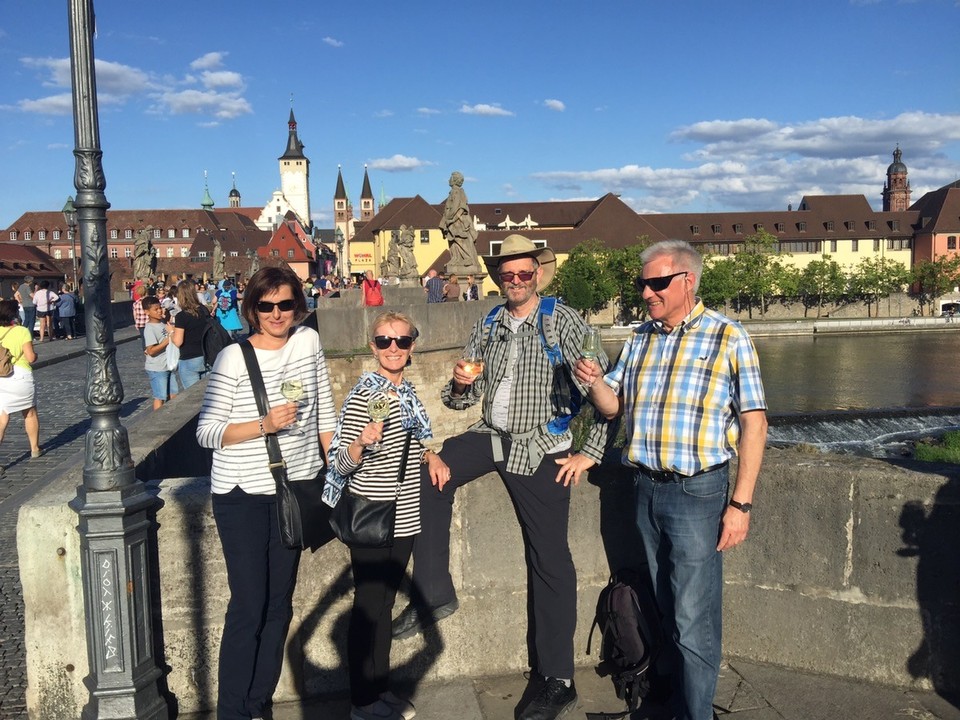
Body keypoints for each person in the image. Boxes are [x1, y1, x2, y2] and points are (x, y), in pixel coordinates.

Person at [392, 234, 612, 720]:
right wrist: (459, 383)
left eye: (524, 274)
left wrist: (589, 453)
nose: (515, 281)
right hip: (491, 434)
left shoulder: (562, 319)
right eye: (507, 274)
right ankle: (434, 591)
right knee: (433, 472)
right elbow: (460, 403)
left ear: (538, 274)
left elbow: (604, 392)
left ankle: (558, 680)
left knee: (549, 559)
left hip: (540, 444)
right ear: (498, 278)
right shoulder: (489, 322)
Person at [575, 240, 768, 720]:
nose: (646, 292)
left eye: (656, 282)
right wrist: (595, 380)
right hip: (644, 488)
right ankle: (669, 698)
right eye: (642, 283)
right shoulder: (640, 337)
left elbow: (755, 422)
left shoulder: (729, 336)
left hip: (697, 493)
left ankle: (695, 713)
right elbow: (612, 406)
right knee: (661, 602)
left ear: (688, 281)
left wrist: (740, 505)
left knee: (692, 617)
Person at [196, 266, 337, 720]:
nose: (277, 314)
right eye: (266, 306)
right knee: (249, 604)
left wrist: (337, 465)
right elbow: (207, 432)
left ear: (299, 304)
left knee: (279, 605)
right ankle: (232, 711)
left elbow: (324, 410)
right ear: (252, 309)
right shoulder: (233, 358)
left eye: (286, 304)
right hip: (242, 494)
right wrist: (265, 425)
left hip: (294, 490)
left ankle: (257, 704)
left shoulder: (309, 341)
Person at [326, 311, 448, 720]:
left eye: (401, 340)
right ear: (372, 346)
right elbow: (339, 463)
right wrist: (360, 444)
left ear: (413, 345)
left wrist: (431, 455)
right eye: (384, 341)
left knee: (384, 607)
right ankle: (362, 700)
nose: (393, 348)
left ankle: (379, 690)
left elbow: (412, 442)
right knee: (369, 607)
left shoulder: (408, 393)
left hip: (406, 517)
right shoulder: (364, 393)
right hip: (373, 515)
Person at [0, 299, 41, 471]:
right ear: (14, 314)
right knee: (29, 413)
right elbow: (30, 358)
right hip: (20, 376)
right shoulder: (22, 331)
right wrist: (36, 355)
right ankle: (34, 449)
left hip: (1, 377)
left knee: (2, 417)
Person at [171, 279, 210, 389]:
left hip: (189, 358)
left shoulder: (181, 316)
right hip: (206, 356)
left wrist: (171, 331)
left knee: (192, 396)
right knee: (206, 394)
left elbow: (178, 342)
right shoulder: (204, 310)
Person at [141, 296, 178, 410]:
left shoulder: (162, 323)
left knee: (174, 394)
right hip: (157, 368)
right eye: (155, 309)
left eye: (160, 308)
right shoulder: (150, 328)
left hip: (168, 365)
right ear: (147, 312)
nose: (159, 311)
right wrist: (168, 340)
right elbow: (151, 351)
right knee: (160, 397)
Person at [132, 280, 149, 348]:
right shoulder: (148, 302)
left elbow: (135, 315)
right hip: (148, 322)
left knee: (143, 339)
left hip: (140, 323)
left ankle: (145, 351)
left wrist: (136, 323)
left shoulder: (135, 303)